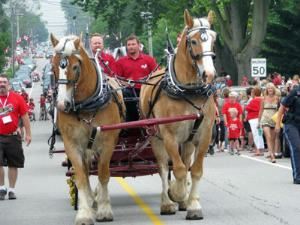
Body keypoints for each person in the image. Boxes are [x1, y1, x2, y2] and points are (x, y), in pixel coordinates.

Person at [0, 74, 31, 200]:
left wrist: (28, 134)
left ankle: (12, 189)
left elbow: (25, 116)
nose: (2, 84)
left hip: (13, 136)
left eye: (4, 82)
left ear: (8, 84)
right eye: (0, 82)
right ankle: (2, 188)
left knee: (13, 164)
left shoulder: (17, 98)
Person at [114, 34, 158, 121]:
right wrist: (125, 83)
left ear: (138, 45)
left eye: (133, 44)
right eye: (129, 45)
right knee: (125, 94)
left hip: (146, 89)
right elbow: (116, 79)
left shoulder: (149, 59)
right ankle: (131, 124)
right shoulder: (120, 62)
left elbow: (156, 75)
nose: (131, 47)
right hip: (129, 91)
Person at [275, 84, 300, 184]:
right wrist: (277, 124)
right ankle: (297, 176)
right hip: (291, 123)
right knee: (297, 147)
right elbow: (282, 107)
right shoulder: (296, 92)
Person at [258, 83, 280, 163]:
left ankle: (272, 152)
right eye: (268, 88)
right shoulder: (263, 99)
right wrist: (258, 121)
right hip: (265, 118)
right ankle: (272, 155)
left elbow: (279, 111)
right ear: (266, 90)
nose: (270, 90)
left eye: (271, 88)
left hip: (274, 119)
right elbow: (261, 110)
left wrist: (279, 120)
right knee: (268, 136)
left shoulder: (277, 98)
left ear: (274, 89)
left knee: (273, 138)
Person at [246, 86, 265, 156]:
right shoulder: (262, 99)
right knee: (260, 134)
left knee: (256, 134)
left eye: (252, 92)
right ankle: (261, 149)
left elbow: (247, 108)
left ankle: (258, 150)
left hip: (254, 119)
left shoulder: (254, 100)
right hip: (259, 118)